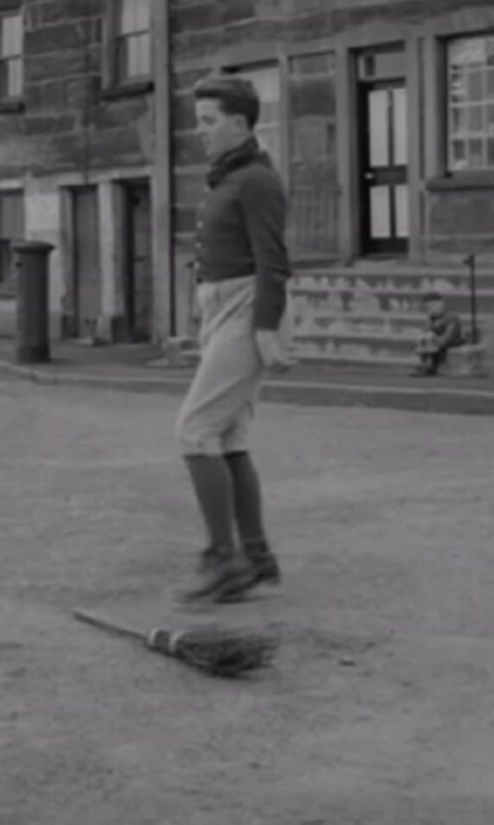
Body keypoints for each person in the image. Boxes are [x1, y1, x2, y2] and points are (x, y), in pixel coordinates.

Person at [173, 76, 294, 605]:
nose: (200, 132)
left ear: (241, 124)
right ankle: (257, 557)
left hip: (248, 307)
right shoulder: (227, 177)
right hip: (221, 307)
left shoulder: (256, 181)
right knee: (228, 434)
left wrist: (266, 328)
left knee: (195, 429)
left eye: (209, 121)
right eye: (199, 120)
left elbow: (273, 261)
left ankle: (223, 560)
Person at [413, 291, 464, 376]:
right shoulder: (430, 320)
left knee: (428, 338)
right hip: (437, 349)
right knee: (423, 338)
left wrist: (432, 337)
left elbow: (446, 340)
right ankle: (427, 363)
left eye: (430, 307)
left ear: (439, 305)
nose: (429, 310)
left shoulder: (452, 318)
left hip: (450, 348)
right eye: (427, 308)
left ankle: (432, 364)